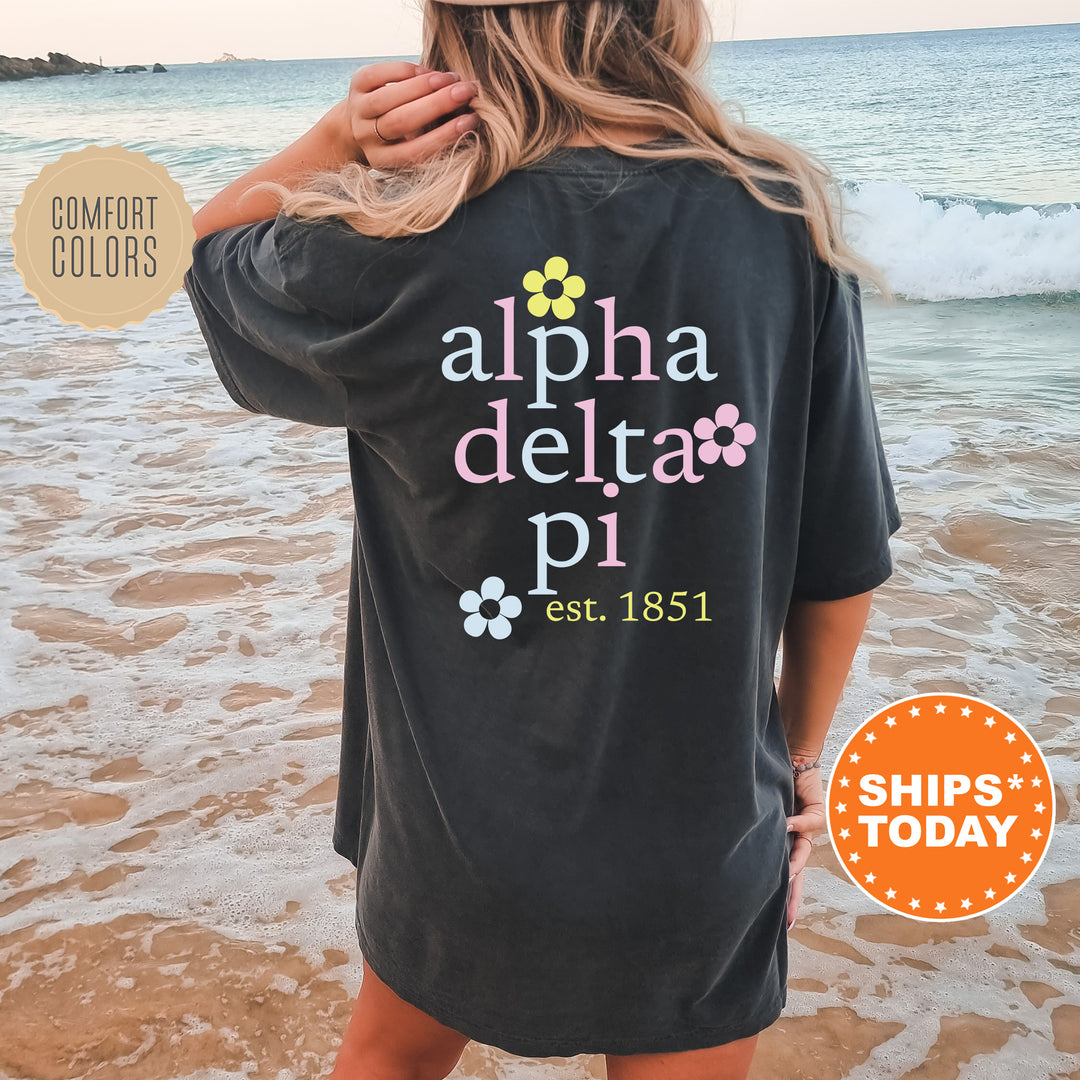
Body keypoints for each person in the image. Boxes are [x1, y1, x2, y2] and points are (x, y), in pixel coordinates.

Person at [182, 0, 903, 1077]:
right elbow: (841, 559)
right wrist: (801, 764)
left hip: (455, 835)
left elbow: (202, 253)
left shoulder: (391, 238)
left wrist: (338, 142)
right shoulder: (779, 219)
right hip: (698, 832)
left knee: (387, 1058)